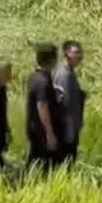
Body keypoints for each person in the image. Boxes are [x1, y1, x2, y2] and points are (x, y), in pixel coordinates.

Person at [26, 44, 64, 172]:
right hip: (42, 132)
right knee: (45, 167)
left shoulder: (34, 78)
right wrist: (50, 134)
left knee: (35, 163)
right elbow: (42, 106)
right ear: (53, 60)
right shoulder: (43, 81)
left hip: (35, 129)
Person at [53, 41, 86, 164]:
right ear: (67, 54)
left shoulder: (70, 73)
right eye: (76, 53)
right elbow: (64, 105)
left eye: (80, 53)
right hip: (66, 129)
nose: (80, 56)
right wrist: (68, 130)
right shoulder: (64, 75)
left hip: (71, 126)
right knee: (65, 162)